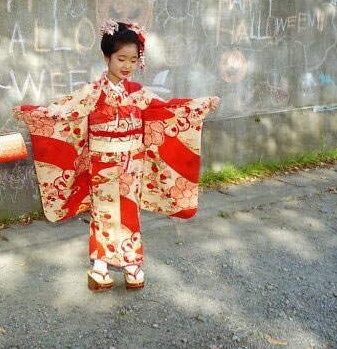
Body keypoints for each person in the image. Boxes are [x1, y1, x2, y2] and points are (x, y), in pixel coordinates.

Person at [14, 20, 219, 292]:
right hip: (103, 162)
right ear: (106, 57)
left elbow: (164, 109)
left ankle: (131, 264)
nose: (127, 65)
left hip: (132, 162)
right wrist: (33, 113)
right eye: (121, 58)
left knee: (129, 211)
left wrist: (198, 106)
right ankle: (100, 266)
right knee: (104, 212)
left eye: (133, 60)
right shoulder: (92, 92)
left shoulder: (137, 93)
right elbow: (63, 112)